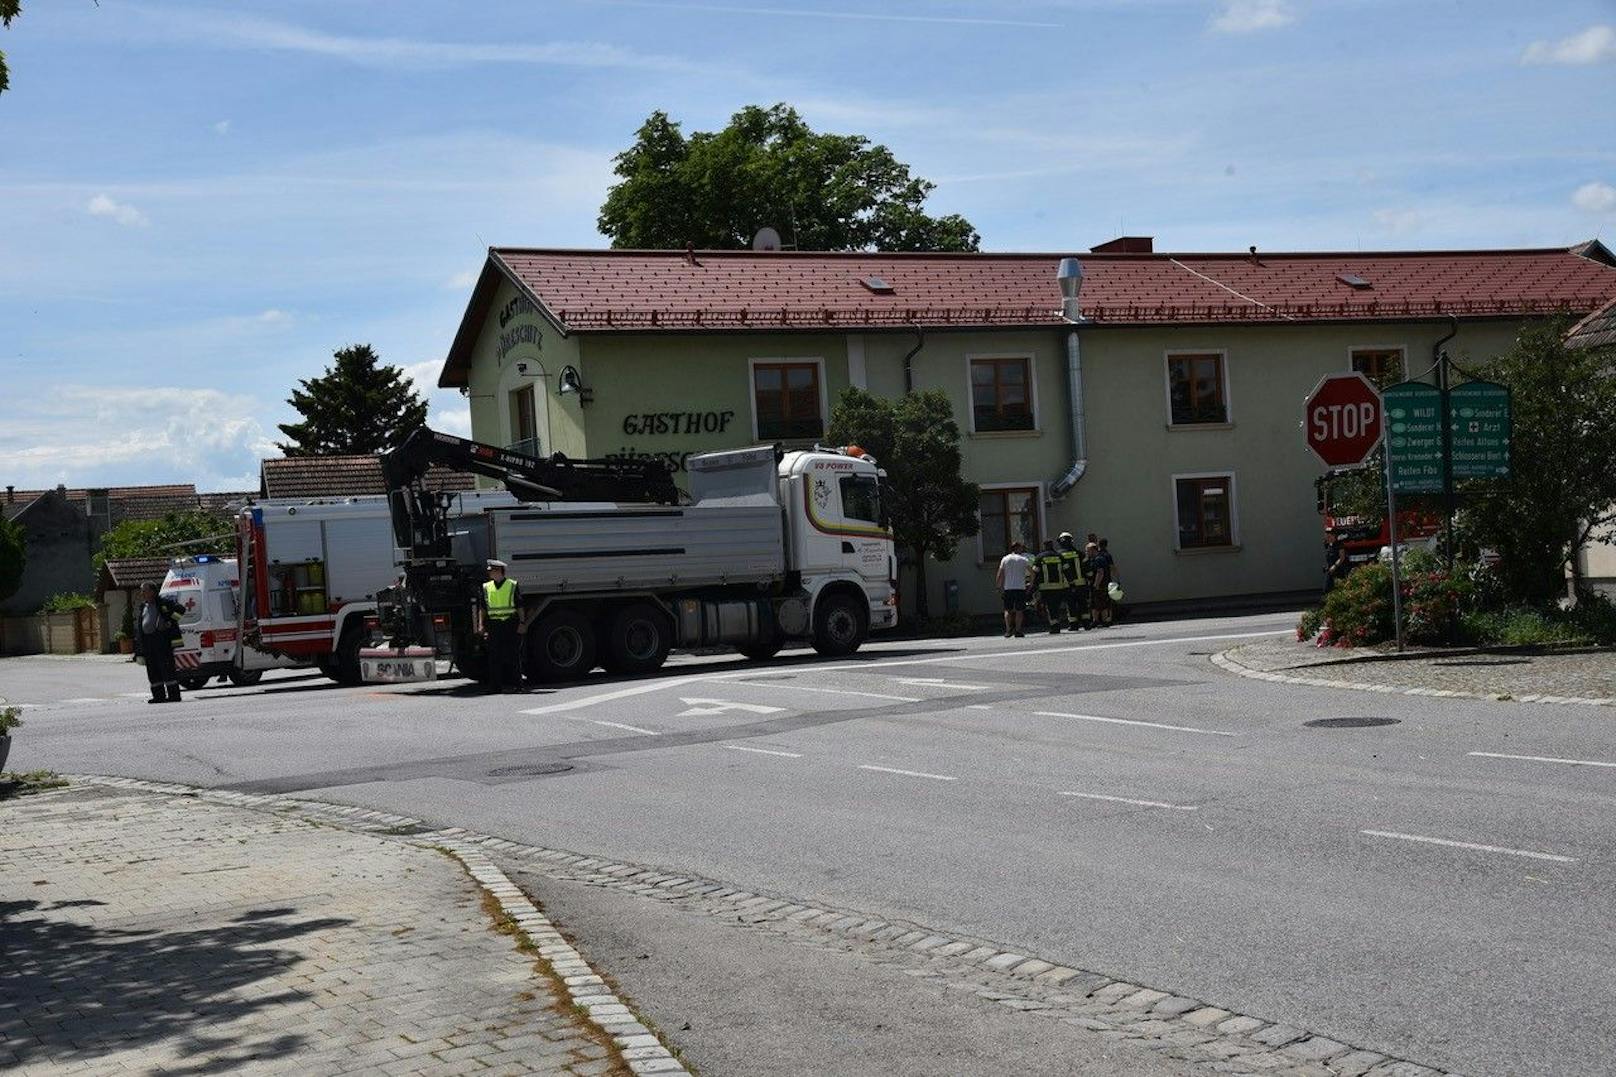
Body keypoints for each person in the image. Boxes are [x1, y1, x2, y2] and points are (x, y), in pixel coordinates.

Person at [135, 582, 186, 704]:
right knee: (153, 670)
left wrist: (169, 621)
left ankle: (174, 695)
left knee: (167, 668)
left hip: (162, 641)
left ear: (152, 591)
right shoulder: (143, 606)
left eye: (144, 590)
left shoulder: (163, 602)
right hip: (148, 642)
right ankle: (158, 696)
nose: (142, 593)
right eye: (142, 591)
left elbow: (181, 610)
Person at [481, 559, 524, 692]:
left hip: (510, 623)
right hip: (494, 625)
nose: (489, 573)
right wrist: (481, 625)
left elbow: (519, 606)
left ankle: (518, 685)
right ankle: (495, 686)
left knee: (513, 656)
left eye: (491, 570)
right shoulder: (486, 587)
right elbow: (483, 608)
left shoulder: (512, 585)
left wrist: (522, 623)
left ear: (499, 571)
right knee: (494, 657)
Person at [995, 540, 1032, 638]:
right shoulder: (1023, 559)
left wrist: (998, 586)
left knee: (1007, 610)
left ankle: (1008, 630)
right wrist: (1031, 583)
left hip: (1008, 588)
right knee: (1019, 610)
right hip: (1020, 588)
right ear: (1018, 548)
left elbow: (1000, 573)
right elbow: (1032, 572)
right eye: (1021, 548)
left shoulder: (1005, 559)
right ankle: (1018, 630)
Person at [1034, 539, 1069, 634]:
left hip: (1045, 587)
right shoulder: (1059, 556)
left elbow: (1035, 573)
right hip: (1058, 587)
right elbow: (1067, 570)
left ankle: (1054, 626)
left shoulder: (1040, 557)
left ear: (1044, 546)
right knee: (1056, 606)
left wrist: (1034, 586)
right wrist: (1070, 583)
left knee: (1049, 607)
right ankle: (1056, 624)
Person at [1058, 532, 1089, 630]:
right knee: (1083, 604)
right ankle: (1086, 624)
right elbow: (1086, 569)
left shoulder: (1059, 555)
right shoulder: (1080, 553)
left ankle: (1073, 624)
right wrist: (1090, 578)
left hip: (1067, 585)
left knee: (1070, 604)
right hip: (1081, 583)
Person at [1089, 538, 1118, 627]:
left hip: (1097, 581)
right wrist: (1117, 579)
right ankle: (1108, 619)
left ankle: (1096, 620)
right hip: (1107, 580)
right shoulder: (1107, 555)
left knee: (1096, 601)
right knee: (1107, 601)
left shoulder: (1096, 556)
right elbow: (1112, 568)